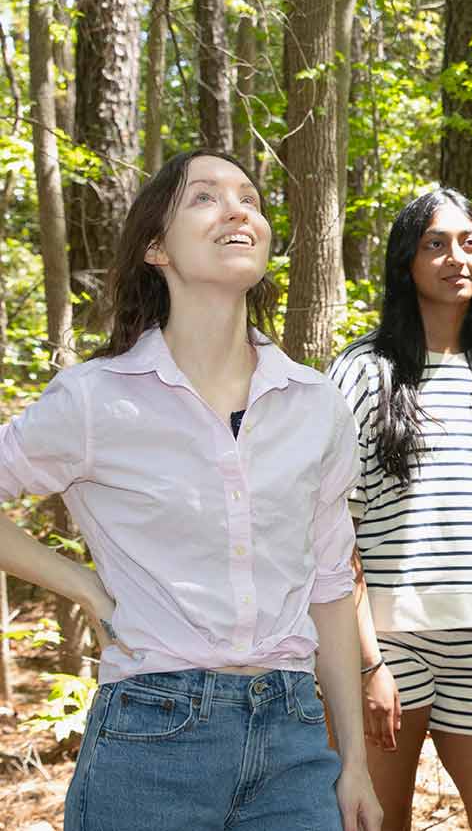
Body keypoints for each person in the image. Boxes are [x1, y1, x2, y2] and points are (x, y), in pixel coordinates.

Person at [0, 149, 381, 830]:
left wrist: (352, 760)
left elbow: (328, 586)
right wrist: (82, 584)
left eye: (249, 198)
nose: (238, 209)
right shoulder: (95, 399)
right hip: (152, 739)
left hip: (296, 739)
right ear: (155, 247)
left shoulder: (315, 402)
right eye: (204, 197)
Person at [328, 188, 472, 831]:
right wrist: (367, 662)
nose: (455, 257)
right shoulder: (362, 371)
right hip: (388, 642)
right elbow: (329, 527)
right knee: (371, 823)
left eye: (469, 243)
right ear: (407, 262)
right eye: (435, 243)